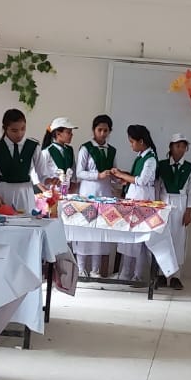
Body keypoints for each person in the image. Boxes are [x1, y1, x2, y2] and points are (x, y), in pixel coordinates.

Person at [109, 125, 159, 283]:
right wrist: (124, 177)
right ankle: (126, 272)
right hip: (134, 199)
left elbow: (142, 181)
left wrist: (123, 175)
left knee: (140, 240)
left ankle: (138, 275)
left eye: (132, 142)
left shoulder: (150, 159)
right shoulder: (141, 156)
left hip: (142, 201)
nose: (131, 145)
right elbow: (136, 178)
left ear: (141, 141)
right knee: (129, 238)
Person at [75, 115, 118, 278]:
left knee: (100, 232)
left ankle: (95, 269)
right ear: (93, 130)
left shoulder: (111, 150)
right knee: (85, 230)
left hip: (105, 195)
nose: (102, 133)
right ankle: (81, 268)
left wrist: (117, 176)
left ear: (110, 131)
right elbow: (79, 173)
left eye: (106, 130)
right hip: (88, 194)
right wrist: (97, 175)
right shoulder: (86, 148)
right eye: (99, 130)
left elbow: (114, 172)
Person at [158, 134, 191, 291]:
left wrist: (188, 212)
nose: (180, 149)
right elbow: (157, 186)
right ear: (171, 147)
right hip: (164, 202)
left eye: (183, 146)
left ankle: (176, 276)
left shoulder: (190, 168)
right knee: (162, 239)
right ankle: (161, 274)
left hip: (180, 204)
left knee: (178, 241)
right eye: (177, 146)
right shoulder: (162, 165)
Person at [0, 109, 39, 215]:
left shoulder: (33, 146)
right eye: (14, 130)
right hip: (4, 194)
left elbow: (43, 175)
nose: (19, 134)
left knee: (26, 222)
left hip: (25, 193)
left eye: (23, 129)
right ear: (5, 129)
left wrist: (50, 180)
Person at [35, 117, 78, 191]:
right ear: (58, 134)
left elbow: (73, 172)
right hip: (53, 192)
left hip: (67, 193)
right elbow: (35, 175)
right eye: (68, 132)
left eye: (71, 132)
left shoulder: (69, 150)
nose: (71, 135)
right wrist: (46, 192)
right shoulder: (47, 152)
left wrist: (72, 190)